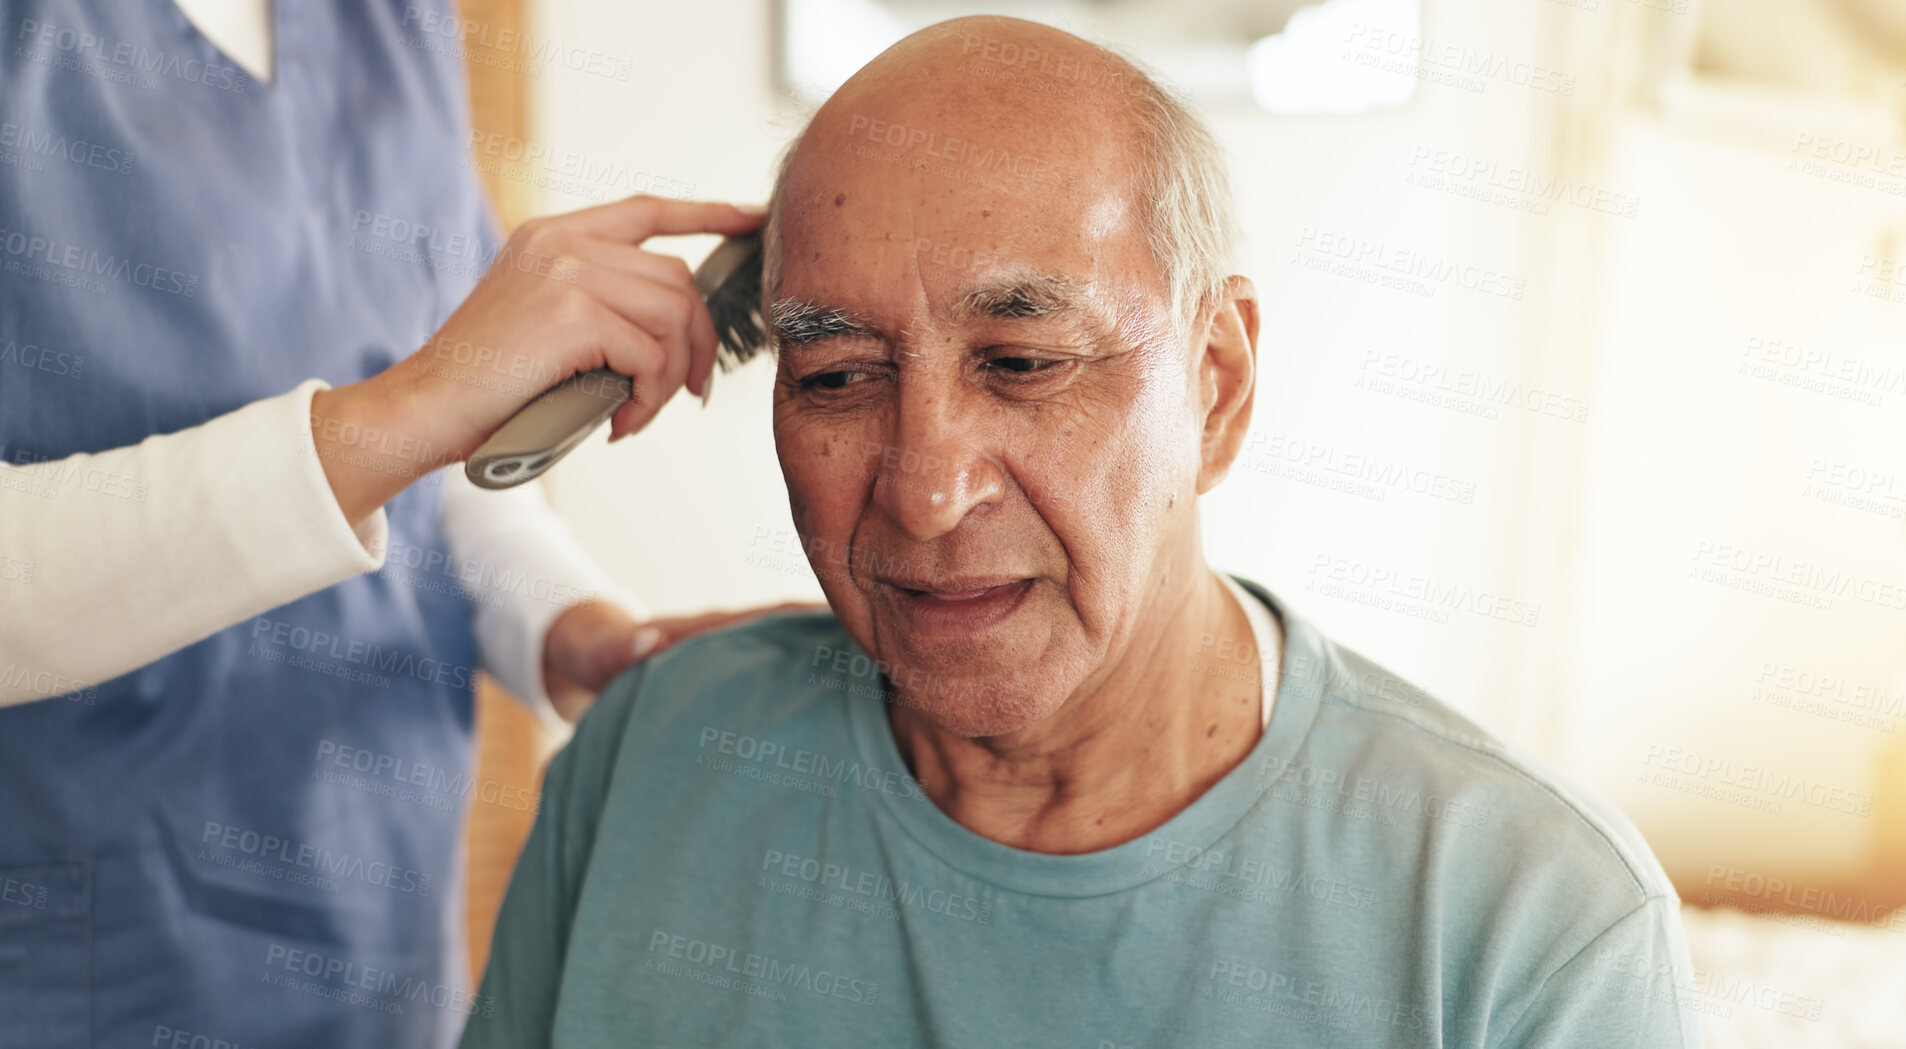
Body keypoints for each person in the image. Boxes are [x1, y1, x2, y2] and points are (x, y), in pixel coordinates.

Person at [464, 16, 1705, 1049]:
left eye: (1022, 361)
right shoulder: (654, 757)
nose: (924, 492)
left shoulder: (1527, 923)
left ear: (1215, 384)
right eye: (837, 373)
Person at [0, 2, 777, 1047]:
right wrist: (407, 406)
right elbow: (418, 409)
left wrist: (574, 629)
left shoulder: (395, 26)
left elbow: (436, 475)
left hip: (380, 931)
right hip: (89, 952)